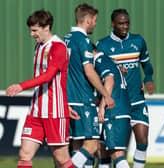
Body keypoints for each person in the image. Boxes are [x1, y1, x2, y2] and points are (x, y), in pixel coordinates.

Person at [6, 9, 75, 168]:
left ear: (47, 27)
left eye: (35, 30)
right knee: (24, 155)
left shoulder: (58, 47)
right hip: (36, 111)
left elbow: (48, 76)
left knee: (62, 159)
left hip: (54, 112)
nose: (32, 34)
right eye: (30, 30)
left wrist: (21, 86)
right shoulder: (38, 46)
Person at [96, 9, 155, 168]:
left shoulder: (138, 41)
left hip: (137, 100)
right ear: (113, 24)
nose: (125, 26)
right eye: (121, 23)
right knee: (109, 149)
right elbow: (98, 71)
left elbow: (147, 64)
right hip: (117, 103)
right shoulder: (103, 45)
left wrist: (148, 78)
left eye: (127, 23)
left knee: (143, 141)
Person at [64, 3, 114, 168]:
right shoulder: (83, 40)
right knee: (92, 144)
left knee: (76, 145)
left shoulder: (66, 39)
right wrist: (105, 95)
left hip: (68, 99)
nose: (95, 24)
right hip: (82, 99)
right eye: (95, 20)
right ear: (88, 20)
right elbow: (89, 72)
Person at [93, 44, 131, 168]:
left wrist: (102, 107)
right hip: (120, 109)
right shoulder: (109, 61)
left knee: (116, 154)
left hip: (115, 111)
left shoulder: (99, 59)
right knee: (102, 150)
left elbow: (110, 80)